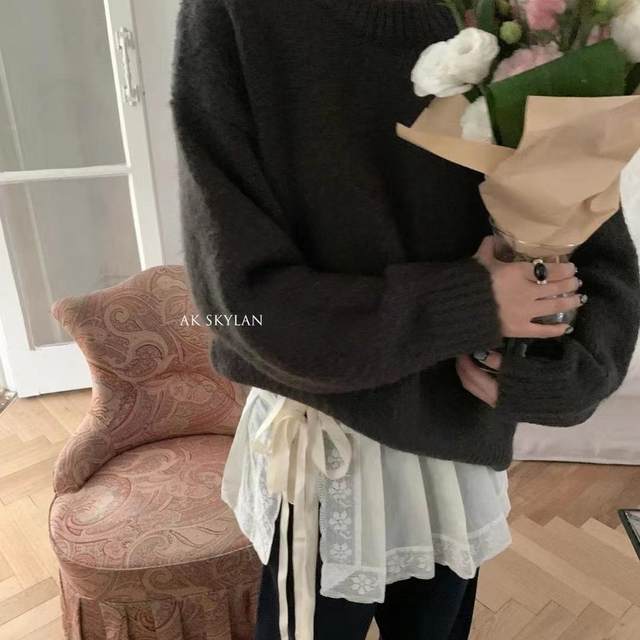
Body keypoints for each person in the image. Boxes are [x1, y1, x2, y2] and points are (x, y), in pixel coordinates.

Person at [169, 0, 640, 638]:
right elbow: (241, 304)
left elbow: (598, 251)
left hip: (460, 451)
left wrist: (566, 372)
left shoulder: (532, 11)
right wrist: (468, 302)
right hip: (325, 452)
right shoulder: (233, 15)